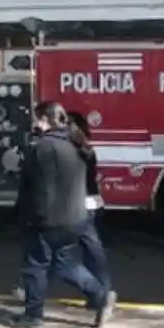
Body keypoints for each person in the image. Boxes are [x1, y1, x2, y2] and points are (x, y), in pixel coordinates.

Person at [12, 101, 115, 328]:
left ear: (44, 119)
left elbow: (28, 185)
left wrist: (22, 215)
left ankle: (33, 315)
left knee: (36, 265)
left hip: (45, 218)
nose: (34, 123)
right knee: (64, 263)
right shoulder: (77, 144)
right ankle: (100, 295)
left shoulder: (40, 148)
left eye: (36, 119)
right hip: (75, 218)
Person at [66, 110, 114, 306]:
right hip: (94, 201)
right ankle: (102, 292)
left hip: (79, 203)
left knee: (58, 255)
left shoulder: (71, 151)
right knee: (94, 251)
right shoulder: (87, 148)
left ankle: (99, 294)